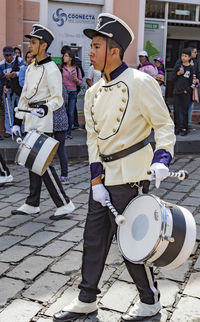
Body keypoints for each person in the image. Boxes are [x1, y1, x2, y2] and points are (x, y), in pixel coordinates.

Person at [53, 13, 175, 322]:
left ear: (114, 50)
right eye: (91, 46)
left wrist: (162, 160)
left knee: (133, 243)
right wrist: (95, 180)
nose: (90, 51)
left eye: (96, 46)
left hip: (132, 176)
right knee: (93, 238)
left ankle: (150, 302)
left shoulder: (140, 82)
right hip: (103, 178)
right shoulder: (92, 92)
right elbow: (93, 139)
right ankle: (86, 298)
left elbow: (164, 126)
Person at [11, 24, 75, 220]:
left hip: (43, 120)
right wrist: (16, 121)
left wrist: (45, 108)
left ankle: (65, 203)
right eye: (30, 42)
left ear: (44, 45)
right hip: (29, 120)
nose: (29, 46)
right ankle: (32, 203)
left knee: (42, 162)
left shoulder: (52, 69)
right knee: (33, 163)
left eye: (33, 42)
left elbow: (58, 98)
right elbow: (24, 97)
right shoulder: (30, 68)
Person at [0, 46, 23, 137]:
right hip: (8, 89)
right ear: (4, 55)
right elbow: (1, 78)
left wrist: (15, 74)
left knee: (20, 109)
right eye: (7, 56)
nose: (9, 57)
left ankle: (22, 128)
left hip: (18, 88)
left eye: (10, 55)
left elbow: (23, 72)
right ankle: (8, 130)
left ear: (13, 54)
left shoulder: (19, 60)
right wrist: (3, 86)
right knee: (8, 110)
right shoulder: (1, 64)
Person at [61, 46, 85, 130]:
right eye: (64, 56)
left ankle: (68, 132)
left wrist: (76, 80)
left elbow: (80, 81)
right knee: (64, 112)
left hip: (73, 93)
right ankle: (63, 130)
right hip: (63, 93)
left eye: (66, 56)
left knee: (71, 113)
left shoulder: (76, 68)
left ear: (70, 58)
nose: (64, 57)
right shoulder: (61, 68)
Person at [172, 48, 194, 136]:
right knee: (176, 110)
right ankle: (177, 127)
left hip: (185, 93)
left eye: (185, 56)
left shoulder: (191, 68)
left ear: (189, 57)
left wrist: (187, 90)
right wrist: (178, 74)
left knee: (185, 111)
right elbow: (172, 78)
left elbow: (192, 81)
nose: (183, 58)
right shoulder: (178, 66)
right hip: (177, 92)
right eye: (182, 56)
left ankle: (184, 128)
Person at [53, 85, 70, 185]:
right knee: (61, 150)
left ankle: (46, 175)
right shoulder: (62, 87)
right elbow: (66, 101)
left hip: (50, 122)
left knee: (46, 150)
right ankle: (64, 175)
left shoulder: (49, 86)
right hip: (62, 120)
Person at [188, 47, 200, 125]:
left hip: (193, 85)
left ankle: (188, 122)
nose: (196, 54)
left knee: (191, 103)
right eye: (194, 52)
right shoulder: (184, 61)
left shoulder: (196, 62)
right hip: (185, 85)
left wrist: (198, 79)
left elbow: (198, 72)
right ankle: (182, 123)